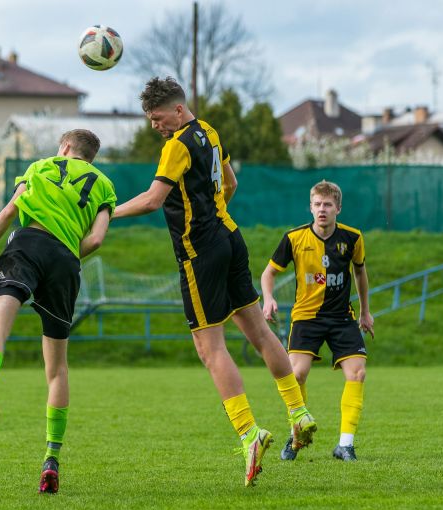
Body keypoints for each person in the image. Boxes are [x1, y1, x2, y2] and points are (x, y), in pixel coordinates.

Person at [112, 77, 316, 487]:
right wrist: (213, 219)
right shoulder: (209, 131)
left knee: (210, 348)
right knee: (259, 331)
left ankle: (249, 433)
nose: (155, 127)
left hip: (200, 253)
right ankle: (298, 411)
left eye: (156, 118)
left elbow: (153, 200)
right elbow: (232, 184)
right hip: (231, 239)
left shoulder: (177, 145)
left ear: (177, 110)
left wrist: (106, 213)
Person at [0, 129, 116, 494]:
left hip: (27, 245)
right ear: (91, 157)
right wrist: (69, 254)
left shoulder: (40, 167)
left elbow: (10, 211)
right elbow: (98, 239)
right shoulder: (104, 185)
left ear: (66, 148)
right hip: (65, 262)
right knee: (56, 367)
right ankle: (51, 458)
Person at [261, 180, 373, 462]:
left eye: (327, 205)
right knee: (296, 375)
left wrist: (365, 312)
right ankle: (297, 436)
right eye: (317, 205)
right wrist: (269, 298)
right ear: (310, 207)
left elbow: (360, 274)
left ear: (338, 208)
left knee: (357, 372)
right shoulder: (294, 238)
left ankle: (345, 445)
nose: (322, 210)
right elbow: (268, 274)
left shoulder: (352, 238)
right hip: (306, 318)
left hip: (340, 318)